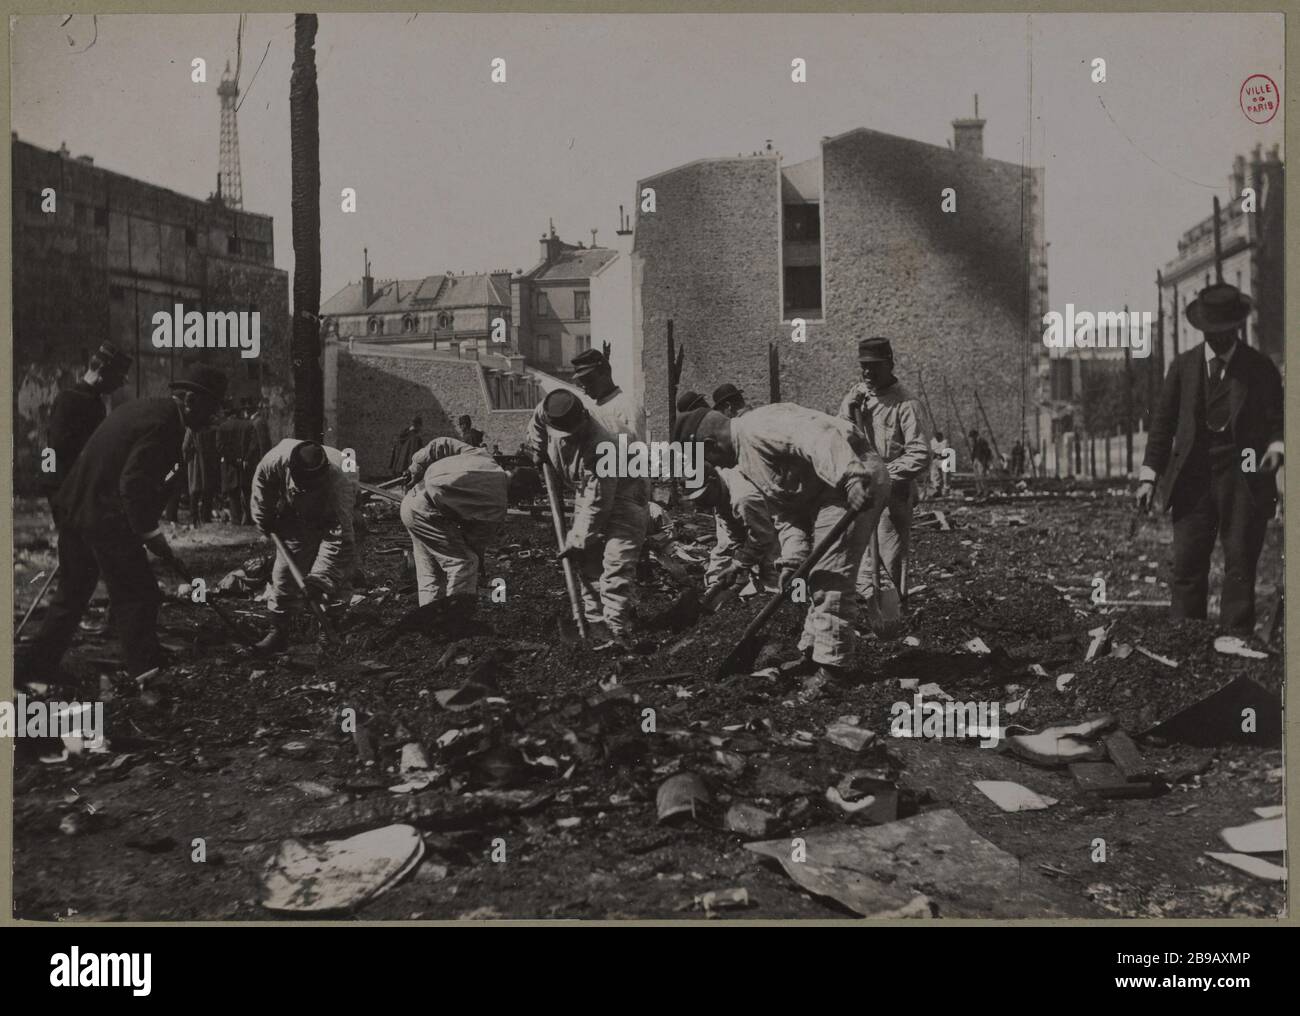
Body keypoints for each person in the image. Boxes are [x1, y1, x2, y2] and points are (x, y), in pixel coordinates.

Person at [21, 364, 227, 681]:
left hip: (77, 509)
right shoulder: (165, 424)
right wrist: (151, 534)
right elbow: (132, 485)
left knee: (72, 594)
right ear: (189, 400)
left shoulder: (147, 410)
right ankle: (147, 673)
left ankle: (33, 667)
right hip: (104, 517)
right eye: (210, 408)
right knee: (139, 592)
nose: (212, 417)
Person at [674, 403, 890, 682]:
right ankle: (813, 655)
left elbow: (819, 435)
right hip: (827, 492)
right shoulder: (746, 461)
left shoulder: (759, 427)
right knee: (816, 577)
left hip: (854, 475)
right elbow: (788, 513)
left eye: (710, 458)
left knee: (830, 576)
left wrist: (851, 478)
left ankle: (833, 671)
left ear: (710, 443)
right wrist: (792, 561)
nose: (716, 466)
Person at [1137, 282, 1283, 635]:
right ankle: (1187, 645)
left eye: (1224, 332)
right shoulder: (1183, 368)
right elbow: (1162, 424)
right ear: (1202, 329)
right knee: (1187, 566)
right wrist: (1148, 476)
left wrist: (1277, 449)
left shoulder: (1259, 368)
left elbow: (1279, 420)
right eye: (1210, 332)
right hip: (1193, 477)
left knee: (1240, 566)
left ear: (1235, 327)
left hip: (1244, 474)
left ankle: (1234, 647)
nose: (1217, 339)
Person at [524, 389, 649, 645]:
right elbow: (537, 423)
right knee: (587, 560)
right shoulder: (549, 410)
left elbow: (599, 503)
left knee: (617, 561)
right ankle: (595, 625)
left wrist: (577, 539)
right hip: (587, 487)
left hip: (627, 490)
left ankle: (616, 628)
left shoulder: (604, 442)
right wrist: (538, 448)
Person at [837, 337, 930, 637]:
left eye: (874, 367)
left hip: (893, 493)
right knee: (856, 553)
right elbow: (838, 436)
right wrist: (848, 412)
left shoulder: (906, 403)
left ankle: (890, 627)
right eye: (863, 367)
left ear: (890, 364)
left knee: (889, 560)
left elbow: (920, 454)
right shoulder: (857, 397)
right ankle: (864, 615)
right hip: (861, 490)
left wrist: (883, 474)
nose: (867, 373)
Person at [250, 440, 360, 653]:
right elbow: (262, 491)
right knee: (284, 571)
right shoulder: (273, 462)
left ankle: (329, 629)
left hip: (333, 515)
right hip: (296, 514)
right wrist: (265, 519)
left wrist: (320, 579)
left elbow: (339, 537)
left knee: (339, 575)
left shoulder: (341, 483)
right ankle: (279, 631)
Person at [399, 437, 508, 606]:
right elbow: (475, 541)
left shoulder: (484, 457)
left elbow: (441, 444)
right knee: (465, 563)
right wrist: (479, 565)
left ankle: (431, 623)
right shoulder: (497, 504)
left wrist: (416, 468)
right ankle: (458, 617)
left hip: (411, 502)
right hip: (427, 512)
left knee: (431, 570)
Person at [40, 344, 133, 509]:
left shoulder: (97, 403)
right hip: (67, 490)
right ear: (103, 371)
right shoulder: (68, 399)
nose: (119, 385)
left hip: (83, 489)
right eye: (118, 378)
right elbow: (57, 447)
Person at [684, 463, 778, 596]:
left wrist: (738, 565)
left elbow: (762, 537)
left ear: (713, 481)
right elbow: (733, 535)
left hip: (777, 516)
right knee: (725, 549)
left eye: (703, 496)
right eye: (696, 500)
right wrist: (740, 563)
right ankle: (715, 590)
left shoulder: (743, 498)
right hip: (756, 518)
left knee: (772, 565)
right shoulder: (719, 493)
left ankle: (775, 597)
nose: (700, 504)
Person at [570, 348, 647, 441]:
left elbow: (637, 447)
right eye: (581, 382)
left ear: (605, 373)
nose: (584, 386)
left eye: (588, 380)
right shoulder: (591, 409)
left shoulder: (627, 407)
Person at [183, 422, 221, 526]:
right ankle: (206, 517)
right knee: (208, 489)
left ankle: (194, 518)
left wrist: (188, 457)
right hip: (209, 462)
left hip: (195, 462)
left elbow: (185, 447)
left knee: (194, 490)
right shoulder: (213, 429)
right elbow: (217, 446)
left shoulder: (191, 430)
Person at [969, 429, 993, 495]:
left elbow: (987, 451)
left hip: (981, 460)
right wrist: (972, 459)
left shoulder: (982, 441)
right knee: (976, 477)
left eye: (972, 436)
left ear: (975, 435)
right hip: (976, 460)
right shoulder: (974, 442)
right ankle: (979, 491)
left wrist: (986, 461)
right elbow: (973, 452)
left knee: (982, 476)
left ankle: (985, 491)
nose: (971, 438)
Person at [929, 430, 950, 499]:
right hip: (936, 460)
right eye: (936, 437)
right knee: (935, 476)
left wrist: (941, 455)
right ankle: (938, 490)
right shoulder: (934, 442)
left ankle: (946, 492)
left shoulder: (945, 442)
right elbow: (933, 452)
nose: (937, 439)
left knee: (945, 477)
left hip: (944, 460)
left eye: (939, 437)